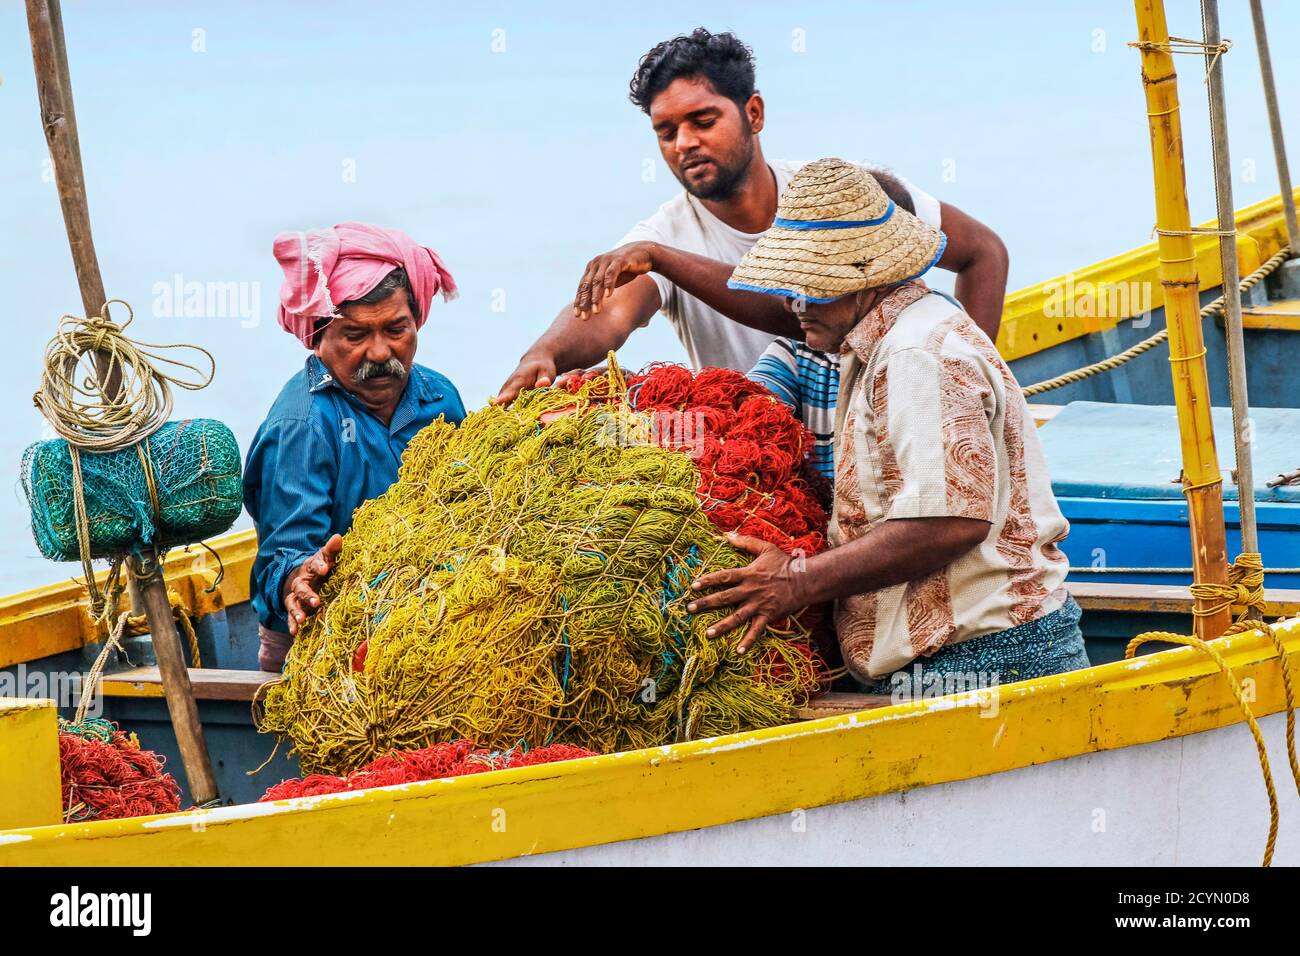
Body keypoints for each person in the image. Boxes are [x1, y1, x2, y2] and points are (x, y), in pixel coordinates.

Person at [687, 160, 1089, 695]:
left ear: (865, 277)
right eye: (792, 287)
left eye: (813, 287)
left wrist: (797, 581)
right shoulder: (879, 342)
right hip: (955, 658)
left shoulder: (916, 355)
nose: (795, 305)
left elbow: (949, 522)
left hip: (987, 661)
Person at [496, 28, 1008, 403]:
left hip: (884, 428)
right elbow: (607, 315)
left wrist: (973, 385)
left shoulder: (839, 195)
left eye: (703, 120)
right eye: (666, 131)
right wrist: (544, 353)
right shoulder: (664, 238)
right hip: (762, 464)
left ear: (753, 113)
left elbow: (983, 254)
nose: (685, 143)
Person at [244, 222, 465, 671]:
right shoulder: (303, 426)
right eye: (355, 335)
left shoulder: (440, 398)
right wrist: (297, 581)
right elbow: (282, 559)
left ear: (416, 322)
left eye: (396, 329)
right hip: (322, 654)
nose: (381, 352)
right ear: (319, 338)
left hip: (430, 630)